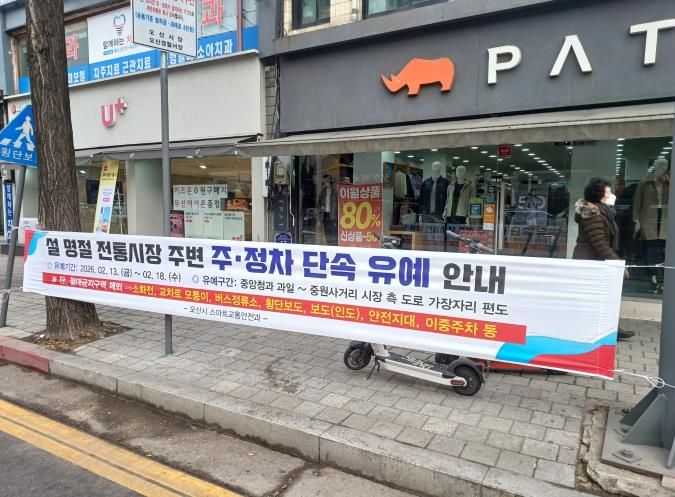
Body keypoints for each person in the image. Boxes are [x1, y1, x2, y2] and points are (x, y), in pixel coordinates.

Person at [573, 177, 634, 340]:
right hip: (590, 262)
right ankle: (601, 332)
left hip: (595, 261)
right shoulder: (594, 215)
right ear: (599, 196)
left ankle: (609, 329)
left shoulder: (603, 212)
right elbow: (600, 244)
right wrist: (618, 264)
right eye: (608, 193)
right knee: (596, 298)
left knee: (601, 298)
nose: (611, 195)